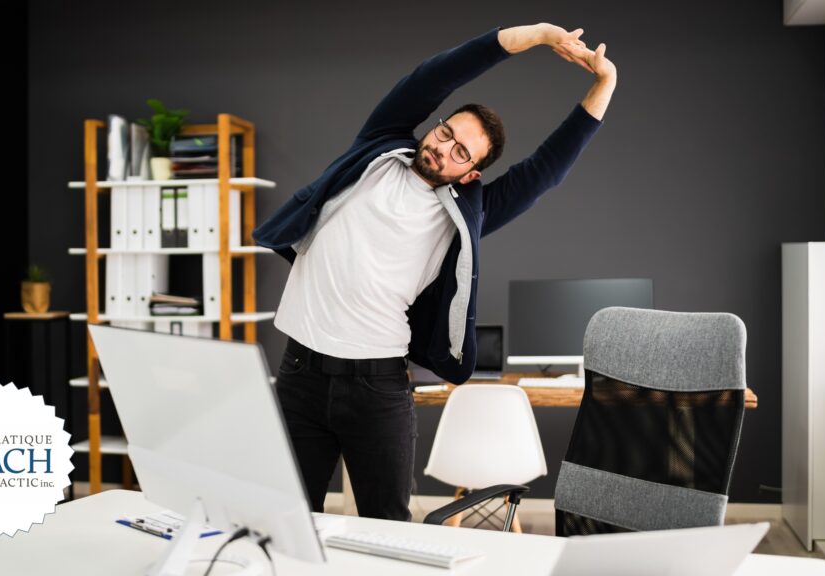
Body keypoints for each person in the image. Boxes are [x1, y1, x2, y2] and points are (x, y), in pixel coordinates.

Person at [253, 23, 616, 521]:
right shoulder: (378, 149)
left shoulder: (464, 216)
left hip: (376, 387)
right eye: (447, 132)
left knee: (389, 530)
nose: (443, 148)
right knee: (290, 522)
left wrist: (604, 84)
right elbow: (434, 76)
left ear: (471, 173)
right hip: (299, 373)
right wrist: (533, 35)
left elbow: (545, 171)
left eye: (461, 152)